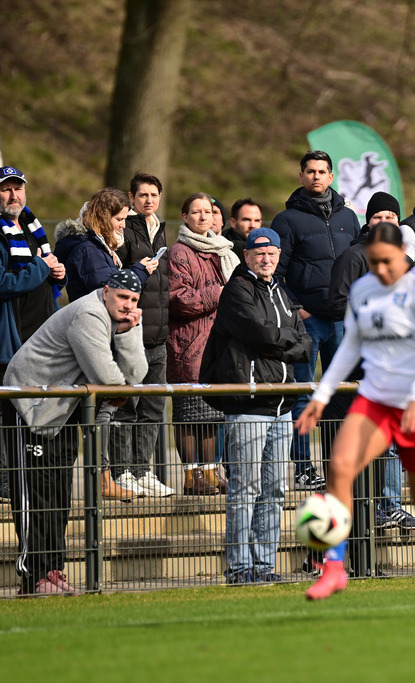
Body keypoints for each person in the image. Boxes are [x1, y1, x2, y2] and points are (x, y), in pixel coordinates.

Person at [295, 222, 415, 601]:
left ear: (403, 253)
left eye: (387, 262)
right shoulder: (365, 289)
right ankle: (334, 567)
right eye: (373, 263)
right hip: (376, 400)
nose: (380, 270)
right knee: (340, 466)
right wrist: (322, 394)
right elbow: (351, 344)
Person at [3, 269, 147, 595]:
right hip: (30, 407)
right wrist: (121, 388)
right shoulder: (89, 313)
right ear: (106, 290)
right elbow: (110, 379)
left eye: (134, 300)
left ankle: (53, 571)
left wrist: (130, 331)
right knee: (35, 496)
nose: (127, 305)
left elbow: (136, 373)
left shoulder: (117, 317)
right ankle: (34, 576)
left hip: (64, 408)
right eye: (123, 297)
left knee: (59, 497)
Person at [199, 228, 310, 584]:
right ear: (246, 256)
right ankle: (238, 567)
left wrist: (281, 343)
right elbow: (260, 334)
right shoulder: (236, 290)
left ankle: (264, 565)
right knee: (245, 488)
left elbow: (304, 343)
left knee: (276, 489)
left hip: (282, 405)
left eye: (272, 253)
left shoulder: (282, 291)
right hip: (248, 405)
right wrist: (285, 340)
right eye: (259, 253)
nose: (266, 259)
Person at [327, 193, 415, 543]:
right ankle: (379, 504)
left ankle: (391, 502)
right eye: (378, 215)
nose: (385, 221)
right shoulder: (354, 257)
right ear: (368, 221)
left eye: (392, 216)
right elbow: (337, 303)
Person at [54, 188, 162, 497]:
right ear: (103, 217)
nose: (123, 226)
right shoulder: (87, 248)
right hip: (91, 335)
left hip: (98, 333)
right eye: (119, 219)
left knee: (103, 409)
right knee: (99, 409)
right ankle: (101, 480)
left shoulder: (95, 246)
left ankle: (102, 478)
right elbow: (105, 288)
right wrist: (139, 271)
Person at [0, 166, 67, 504]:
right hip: (6, 331)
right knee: (2, 407)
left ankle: (30, 474)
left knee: (36, 405)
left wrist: (57, 272)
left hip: (41, 330)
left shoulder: (30, 225)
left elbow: (42, 270)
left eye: (18, 189)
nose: (14, 195)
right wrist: (43, 266)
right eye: (6, 189)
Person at [271, 150, 360, 491]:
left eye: (322, 171)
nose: (316, 177)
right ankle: (304, 467)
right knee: (304, 394)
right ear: (301, 176)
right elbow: (276, 272)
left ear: (332, 177)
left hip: (342, 321)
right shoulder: (287, 220)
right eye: (310, 171)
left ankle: (337, 462)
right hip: (308, 321)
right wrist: (296, 308)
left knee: (340, 394)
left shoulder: (349, 218)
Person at [167, 192, 241, 496]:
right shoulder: (179, 252)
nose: (202, 216)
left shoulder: (223, 251)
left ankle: (210, 473)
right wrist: (218, 292)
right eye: (195, 212)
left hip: (218, 344)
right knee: (188, 414)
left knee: (211, 415)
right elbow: (179, 300)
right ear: (185, 217)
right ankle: (190, 475)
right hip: (189, 342)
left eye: (207, 211)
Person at [111, 172, 172, 498]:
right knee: (127, 406)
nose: (149, 200)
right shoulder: (125, 230)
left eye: (154, 194)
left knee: (153, 407)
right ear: (132, 198)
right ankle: (120, 473)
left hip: (158, 337)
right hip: (131, 334)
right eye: (142, 195)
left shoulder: (161, 230)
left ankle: (142, 470)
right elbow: (116, 278)